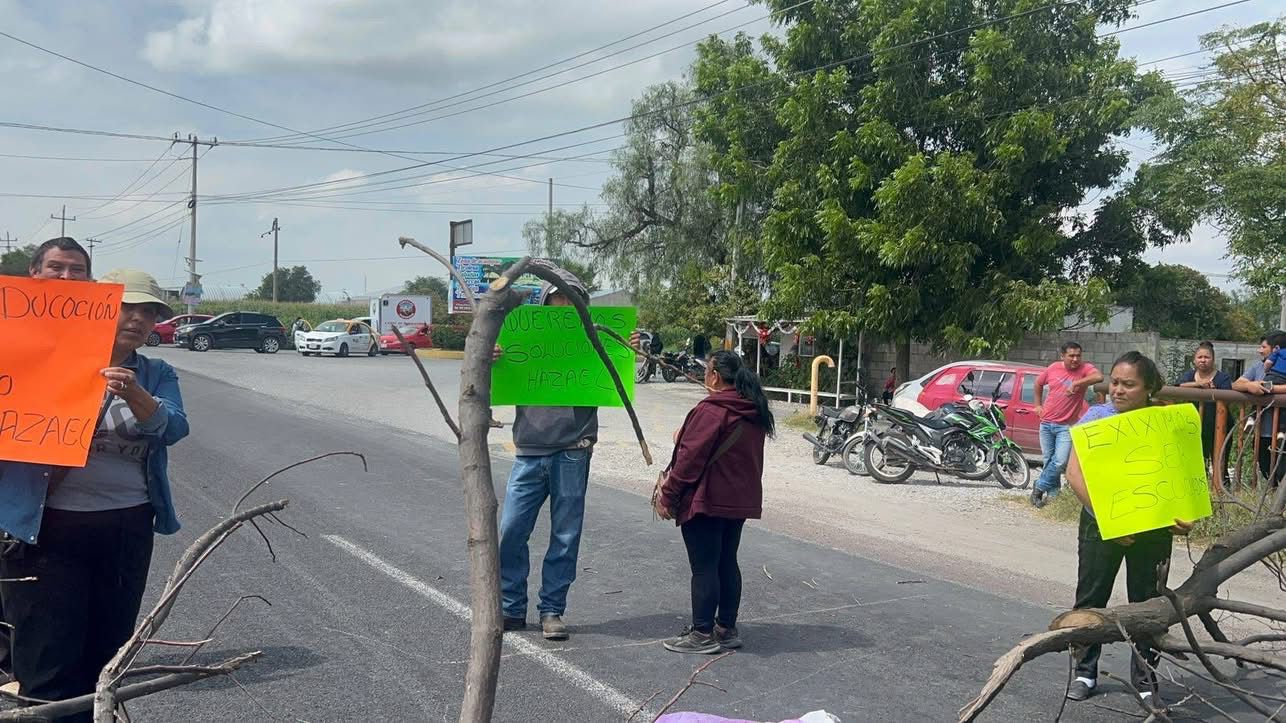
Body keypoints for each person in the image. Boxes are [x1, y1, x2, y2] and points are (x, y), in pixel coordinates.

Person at [0, 269, 189, 720]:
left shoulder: (156, 373)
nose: (139, 319)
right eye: (128, 307)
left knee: (108, 650)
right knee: (46, 655)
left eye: (150, 312)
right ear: (99, 308)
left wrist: (135, 393)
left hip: (126, 526)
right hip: (48, 527)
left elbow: (174, 427)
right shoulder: (45, 361)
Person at [496, 264, 639, 641]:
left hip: (574, 451)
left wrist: (628, 349)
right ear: (545, 303)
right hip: (529, 451)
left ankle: (551, 610)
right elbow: (491, 370)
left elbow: (615, 375)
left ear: (581, 305)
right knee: (511, 530)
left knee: (565, 535)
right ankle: (511, 606)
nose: (563, 305)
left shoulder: (595, 336)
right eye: (557, 298)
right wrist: (492, 355)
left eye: (571, 299)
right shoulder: (523, 335)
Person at [1062, 351, 1194, 703]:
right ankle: (1085, 672)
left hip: (1153, 527)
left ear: (1148, 388)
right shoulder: (1095, 418)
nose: (1118, 390)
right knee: (1091, 599)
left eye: (1128, 384)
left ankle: (1145, 680)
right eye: (1115, 382)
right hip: (1100, 525)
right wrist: (1111, 521)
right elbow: (1074, 474)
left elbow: (1182, 472)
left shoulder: (1166, 421)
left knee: (1148, 604)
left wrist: (1186, 515)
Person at [0, 237, 94, 688]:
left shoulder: (98, 338)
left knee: (38, 596)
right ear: (33, 274)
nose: (67, 277)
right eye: (57, 267)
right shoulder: (8, 323)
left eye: (77, 270)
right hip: (12, 477)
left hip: (61, 492)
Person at [655, 351, 773, 654]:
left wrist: (668, 494)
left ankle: (702, 633)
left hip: (707, 499)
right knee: (726, 561)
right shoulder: (753, 409)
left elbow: (689, 460)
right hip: (738, 500)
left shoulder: (712, 410)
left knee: (704, 567)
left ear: (715, 376)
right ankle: (726, 628)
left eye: (707, 370)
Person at [1031, 342, 1103, 508]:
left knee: (1060, 462)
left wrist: (1077, 383)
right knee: (1049, 460)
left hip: (1066, 425)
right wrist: (1037, 405)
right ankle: (1054, 496)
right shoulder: (1053, 368)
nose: (1075, 359)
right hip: (1046, 423)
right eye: (1071, 356)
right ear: (1062, 356)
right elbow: (1038, 383)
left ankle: (1039, 486)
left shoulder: (1085, 369)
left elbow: (1099, 377)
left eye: (1078, 355)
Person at [1232, 333, 1286, 486]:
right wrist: (1250, 385)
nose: (1259, 350)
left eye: (1263, 347)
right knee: (1266, 470)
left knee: (1282, 473)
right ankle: (1272, 500)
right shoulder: (1258, 367)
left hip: (1283, 433)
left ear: (1275, 349)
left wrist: (1270, 388)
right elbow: (1236, 384)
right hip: (1263, 432)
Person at [1176, 341, 1233, 473]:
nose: (1203, 360)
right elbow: (1177, 386)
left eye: (1206, 357)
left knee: (1220, 466)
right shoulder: (1189, 375)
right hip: (1194, 427)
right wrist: (1199, 384)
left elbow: (1227, 397)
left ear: (1213, 359)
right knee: (1198, 465)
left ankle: (1221, 486)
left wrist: (1211, 390)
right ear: (1194, 360)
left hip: (1219, 427)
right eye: (1200, 357)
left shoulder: (1222, 377)